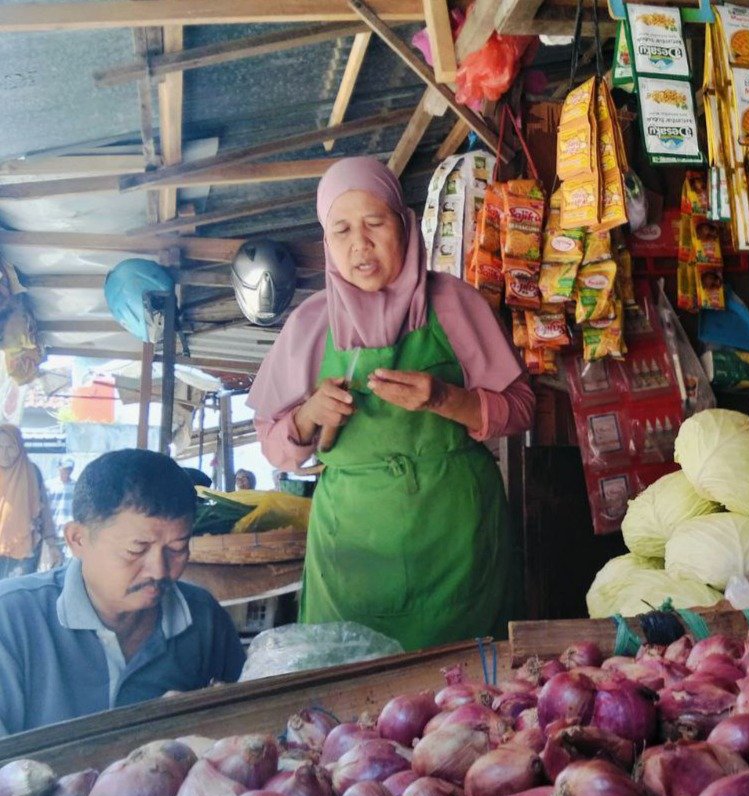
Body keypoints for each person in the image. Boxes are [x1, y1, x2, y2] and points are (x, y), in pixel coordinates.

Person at [248, 157, 533, 651]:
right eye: (341, 230)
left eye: (375, 223)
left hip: (457, 537)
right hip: (353, 551)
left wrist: (446, 399)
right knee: (353, 692)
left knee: (470, 693)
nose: (360, 243)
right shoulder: (310, 323)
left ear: (404, 224)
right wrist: (309, 415)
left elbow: (522, 408)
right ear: (326, 242)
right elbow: (276, 446)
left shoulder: (455, 303)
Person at [0, 449, 245, 736]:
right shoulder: (11, 620)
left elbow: (248, 730)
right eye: (136, 550)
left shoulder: (202, 617)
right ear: (78, 539)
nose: (159, 570)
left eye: (177, 549)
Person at [0, 426, 60, 577]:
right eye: (0, 447)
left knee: (16, 595)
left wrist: (53, 545)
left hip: (24, 551)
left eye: (11, 447)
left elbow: (44, 511)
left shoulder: (32, 473)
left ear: (20, 447)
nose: (4, 454)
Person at [49, 457, 76, 554]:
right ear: (59, 468)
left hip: (70, 531)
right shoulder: (50, 486)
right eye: (65, 468)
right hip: (54, 531)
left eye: (69, 469)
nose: (67, 471)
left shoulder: (76, 487)